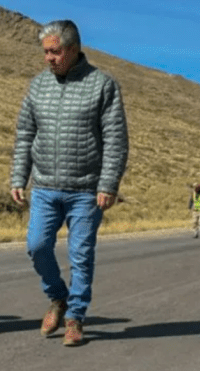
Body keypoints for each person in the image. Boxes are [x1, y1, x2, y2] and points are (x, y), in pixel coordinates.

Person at [10, 20, 129, 347]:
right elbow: (25, 135)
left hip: (87, 191)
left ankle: (75, 317)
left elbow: (115, 139)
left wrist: (108, 184)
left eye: (55, 51)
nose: (49, 58)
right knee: (36, 246)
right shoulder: (37, 86)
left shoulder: (102, 85)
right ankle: (58, 297)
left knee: (80, 254)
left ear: (74, 49)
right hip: (45, 187)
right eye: (46, 52)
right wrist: (19, 176)